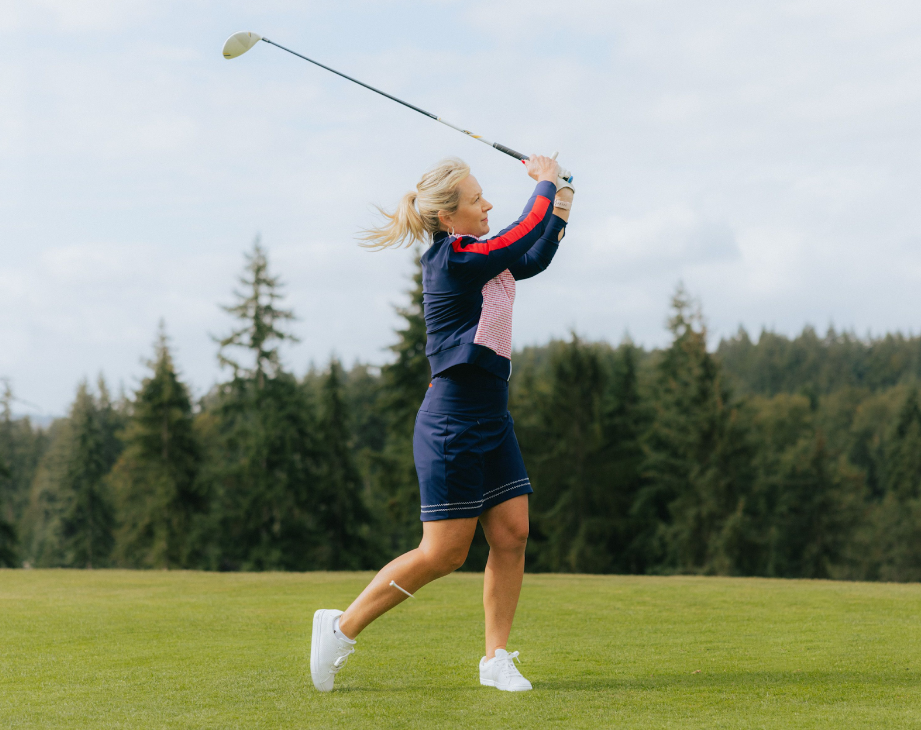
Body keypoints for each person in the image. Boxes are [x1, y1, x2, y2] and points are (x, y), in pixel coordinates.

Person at [310, 154, 575, 692]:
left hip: (492, 417)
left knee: (512, 534)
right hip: (452, 421)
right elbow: (520, 230)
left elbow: (536, 251)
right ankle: (340, 628)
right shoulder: (452, 260)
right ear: (449, 218)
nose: (488, 205)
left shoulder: (482, 259)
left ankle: (495, 659)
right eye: (478, 200)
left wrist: (564, 195)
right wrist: (544, 182)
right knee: (444, 553)